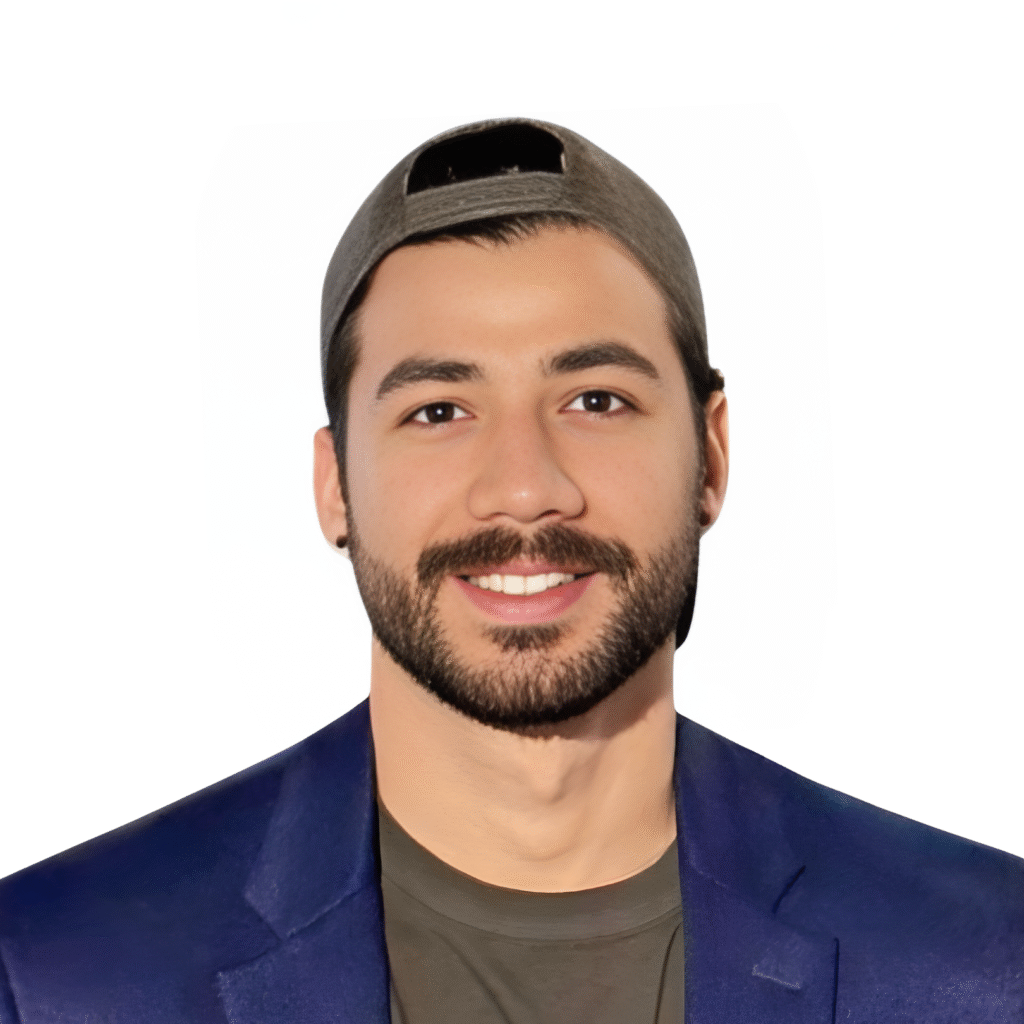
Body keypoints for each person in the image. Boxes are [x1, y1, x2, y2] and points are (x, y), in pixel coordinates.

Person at [0, 117, 1020, 1023]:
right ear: (335, 485)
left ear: (710, 455)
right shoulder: (53, 976)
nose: (525, 489)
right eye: (438, 411)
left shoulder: (987, 962)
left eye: (596, 401)